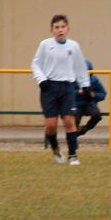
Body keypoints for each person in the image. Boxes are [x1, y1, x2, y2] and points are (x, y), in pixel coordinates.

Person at [31, 14, 90, 166]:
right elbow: (36, 64)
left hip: (67, 87)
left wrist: (85, 85)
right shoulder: (45, 45)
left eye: (63, 27)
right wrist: (42, 80)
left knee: (69, 121)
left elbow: (80, 67)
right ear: (52, 30)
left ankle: (73, 155)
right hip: (49, 87)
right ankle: (56, 149)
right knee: (50, 124)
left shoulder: (74, 46)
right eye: (57, 27)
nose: (60, 30)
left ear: (68, 29)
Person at [75, 60, 105, 137]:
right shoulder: (74, 80)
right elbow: (68, 93)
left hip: (90, 102)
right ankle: (73, 139)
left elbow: (103, 94)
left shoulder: (94, 80)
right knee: (74, 121)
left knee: (97, 116)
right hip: (77, 104)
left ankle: (84, 129)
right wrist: (78, 92)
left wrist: (94, 95)